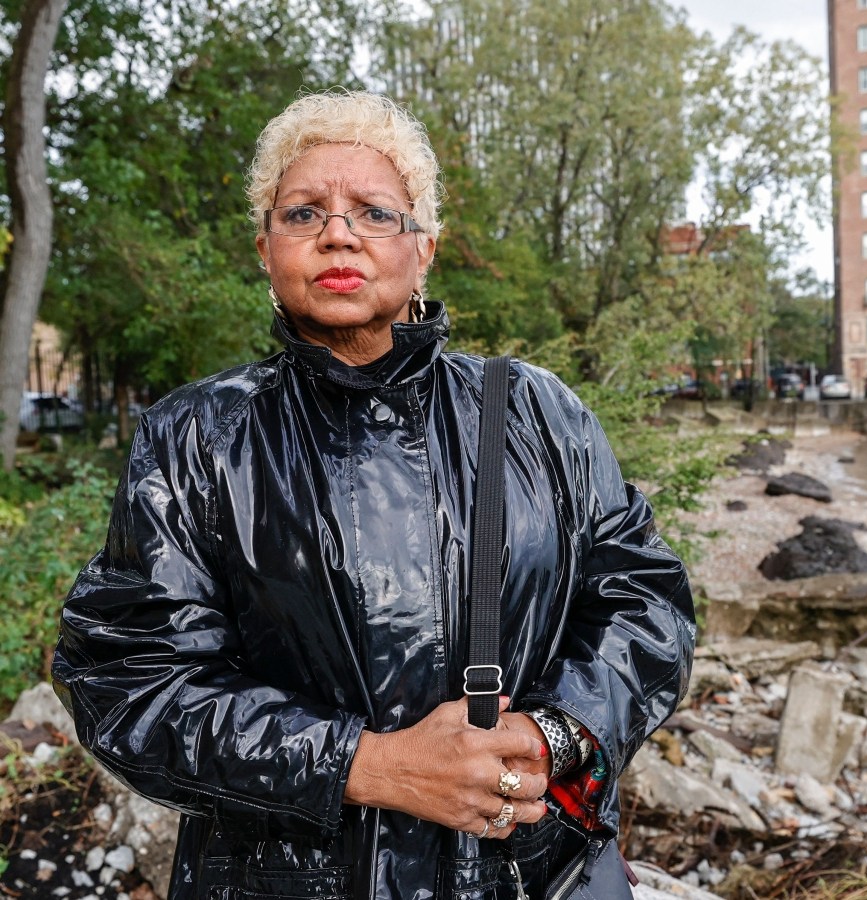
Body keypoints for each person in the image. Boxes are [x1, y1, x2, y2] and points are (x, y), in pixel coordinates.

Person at [53, 89, 695, 900]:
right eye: (303, 213)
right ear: (265, 247)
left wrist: (558, 732)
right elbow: (127, 682)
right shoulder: (194, 438)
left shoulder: (537, 413)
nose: (337, 233)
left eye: (374, 212)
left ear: (424, 248)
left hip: (521, 875)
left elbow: (646, 601)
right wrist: (368, 766)